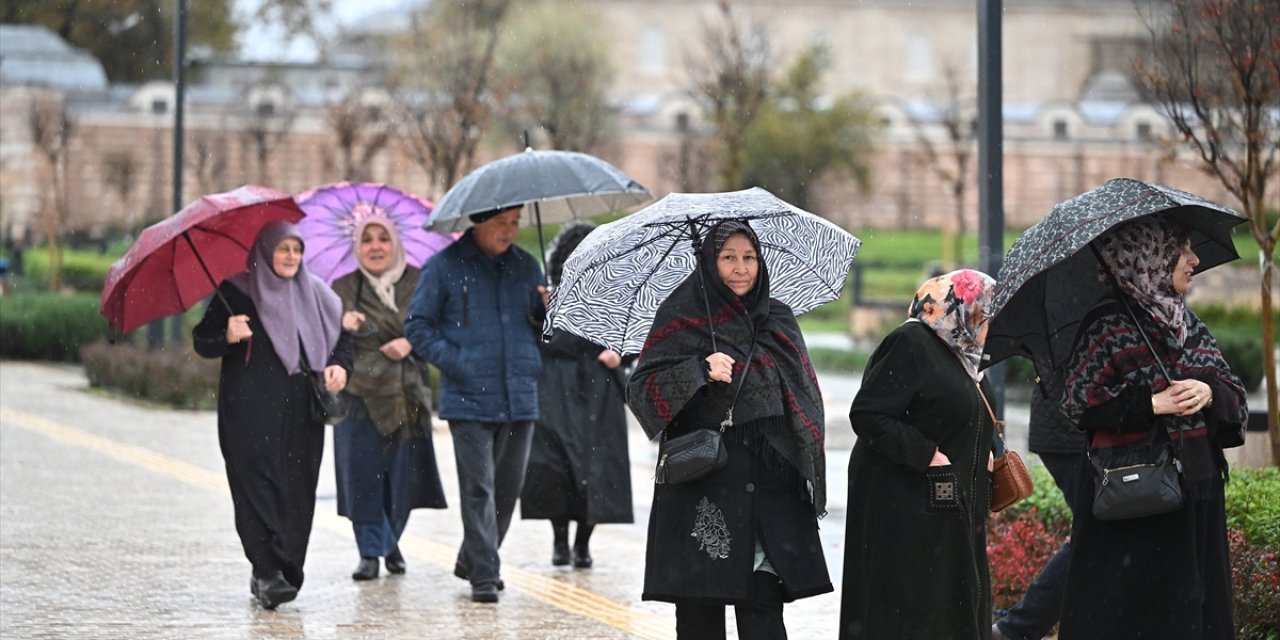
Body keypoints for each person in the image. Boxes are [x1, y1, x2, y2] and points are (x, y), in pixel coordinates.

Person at [627, 220, 831, 640]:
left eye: (749, 257)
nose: (741, 269)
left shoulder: (777, 317)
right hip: (703, 490)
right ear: (708, 262)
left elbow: (804, 394)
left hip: (770, 492)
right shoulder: (683, 316)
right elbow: (642, 392)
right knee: (701, 618)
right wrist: (699, 369)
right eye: (728, 258)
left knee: (764, 613)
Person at [1057, 216, 1248, 640]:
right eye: (1183, 251)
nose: (1194, 260)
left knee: (1193, 613)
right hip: (1135, 498)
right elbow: (1078, 402)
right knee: (1133, 614)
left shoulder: (1189, 325)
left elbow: (1236, 396)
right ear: (1151, 258)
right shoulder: (1106, 325)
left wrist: (1210, 393)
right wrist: (1150, 404)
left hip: (1195, 496)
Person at [192, 220, 352, 610]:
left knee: (296, 491)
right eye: (283, 249)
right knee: (256, 490)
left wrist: (338, 367)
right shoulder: (236, 292)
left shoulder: (318, 295)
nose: (291, 257)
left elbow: (341, 342)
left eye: (297, 249)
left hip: (303, 413)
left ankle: (286, 569)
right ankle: (266, 571)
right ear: (265, 251)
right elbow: (202, 340)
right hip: (248, 413)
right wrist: (227, 335)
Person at [839, 269, 999, 640]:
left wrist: (990, 448)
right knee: (911, 612)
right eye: (988, 314)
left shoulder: (965, 353)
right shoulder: (910, 342)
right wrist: (925, 454)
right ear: (962, 308)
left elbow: (972, 414)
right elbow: (868, 414)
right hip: (905, 509)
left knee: (951, 606)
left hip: (953, 507)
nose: (993, 325)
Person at [404, 205, 545, 604]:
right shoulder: (443, 266)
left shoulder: (527, 266)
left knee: (508, 489)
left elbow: (541, 329)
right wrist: (458, 363)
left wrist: (547, 312)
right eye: (502, 222)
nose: (510, 231)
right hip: (467, 397)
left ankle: (473, 557)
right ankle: (485, 573)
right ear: (478, 221)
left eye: (516, 223)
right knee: (479, 489)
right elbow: (417, 325)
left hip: (519, 393)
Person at [331, 218, 448, 582]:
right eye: (367, 240)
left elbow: (438, 326)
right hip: (357, 396)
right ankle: (370, 553)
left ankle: (388, 539)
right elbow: (325, 341)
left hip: (407, 394)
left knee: (403, 479)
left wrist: (410, 342)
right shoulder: (343, 287)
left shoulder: (419, 280)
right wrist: (341, 326)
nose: (376, 246)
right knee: (362, 477)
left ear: (396, 243)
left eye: (384, 238)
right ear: (358, 247)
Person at [520, 222, 634, 569]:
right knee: (556, 464)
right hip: (556, 384)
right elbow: (535, 336)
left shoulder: (616, 292)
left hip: (599, 386)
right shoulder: (548, 293)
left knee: (598, 467)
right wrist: (544, 311)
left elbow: (636, 330)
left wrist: (621, 353)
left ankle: (583, 542)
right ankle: (559, 539)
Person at [992, 370, 1085, 640]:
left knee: (1098, 535)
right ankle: (1017, 628)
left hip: (1068, 427)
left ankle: (1018, 627)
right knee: (1094, 534)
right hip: (1073, 432)